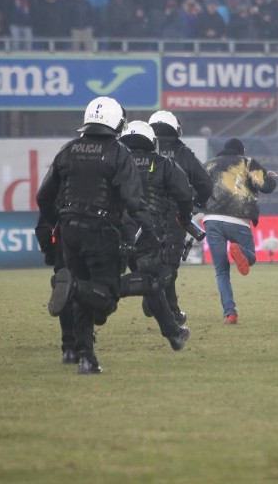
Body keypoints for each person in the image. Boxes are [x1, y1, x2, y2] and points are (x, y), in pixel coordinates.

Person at [36, 96, 162, 375]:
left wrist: (55, 222)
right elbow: (133, 201)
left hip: (68, 229)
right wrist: (149, 232)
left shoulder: (67, 151)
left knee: (80, 292)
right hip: (101, 231)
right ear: (117, 123)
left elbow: (43, 196)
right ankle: (73, 289)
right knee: (105, 296)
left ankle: (85, 358)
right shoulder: (119, 153)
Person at [118, 121, 193, 345]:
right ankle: (173, 331)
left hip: (117, 232)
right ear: (151, 141)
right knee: (153, 279)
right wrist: (185, 218)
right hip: (150, 233)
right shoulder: (165, 164)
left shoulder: (116, 163)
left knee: (136, 281)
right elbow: (185, 193)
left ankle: (174, 332)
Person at [148, 111, 212, 325]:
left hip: (141, 217)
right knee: (169, 266)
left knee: (146, 261)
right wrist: (197, 203)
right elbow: (205, 183)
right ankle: (158, 300)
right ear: (175, 129)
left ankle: (167, 308)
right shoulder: (183, 153)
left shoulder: (136, 152)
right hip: (175, 217)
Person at [203, 138, 277, 324]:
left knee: (221, 271)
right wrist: (271, 178)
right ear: (240, 152)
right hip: (238, 219)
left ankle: (230, 313)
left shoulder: (208, 165)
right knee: (250, 256)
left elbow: (197, 189)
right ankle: (240, 251)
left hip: (211, 219)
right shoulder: (247, 162)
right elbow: (266, 187)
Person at [35, 214, 77, 364]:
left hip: (63, 236)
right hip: (96, 237)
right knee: (88, 286)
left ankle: (70, 347)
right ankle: (84, 343)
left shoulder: (60, 190)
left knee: (65, 285)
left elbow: (44, 199)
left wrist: (49, 248)